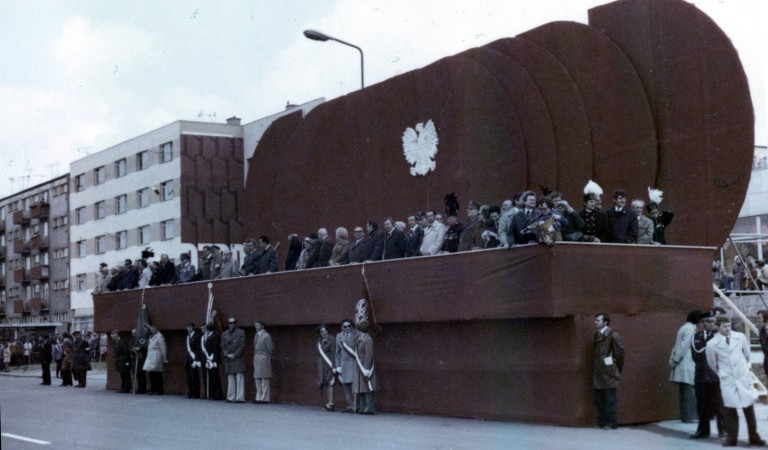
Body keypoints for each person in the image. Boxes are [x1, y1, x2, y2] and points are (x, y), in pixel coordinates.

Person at [706, 316, 765, 447]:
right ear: (717, 327)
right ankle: (731, 439)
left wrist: (744, 369)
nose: (728, 329)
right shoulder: (711, 344)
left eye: (728, 325)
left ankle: (754, 437)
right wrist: (722, 373)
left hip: (742, 376)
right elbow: (712, 363)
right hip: (728, 379)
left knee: (748, 407)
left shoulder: (740, 337)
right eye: (724, 326)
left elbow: (747, 354)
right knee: (730, 409)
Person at [690, 313, 725, 439]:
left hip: (716, 376)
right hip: (701, 375)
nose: (711, 324)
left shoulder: (720, 337)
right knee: (702, 404)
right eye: (708, 321)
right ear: (703, 323)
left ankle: (723, 430)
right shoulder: (696, 337)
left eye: (713, 322)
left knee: (719, 404)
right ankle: (703, 430)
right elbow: (695, 357)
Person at [593, 312, 624, 429]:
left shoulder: (613, 335)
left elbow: (620, 354)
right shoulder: (597, 335)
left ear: (605, 322)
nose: (595, 322)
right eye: (595, 320)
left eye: (598, 320)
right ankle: (601, 422)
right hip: (599, 372)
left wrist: (615, 368)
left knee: (610, 399)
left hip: (609, 372)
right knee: (599, 398)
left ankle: (611, 423)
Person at [669, 310, 700, 423]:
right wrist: (676, 360)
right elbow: (684, 346)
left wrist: (673, 359)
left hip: (682, 362)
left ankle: (686, 416)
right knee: (689, 391)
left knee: (684, 391)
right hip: (686, 361)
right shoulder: (690, 329)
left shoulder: (684, 327)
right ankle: (691, 416)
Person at [352, 307, 377, 414]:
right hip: (359, 364)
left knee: (367, 387)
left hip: (365, 366)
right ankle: (363, 407)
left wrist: (366, 368)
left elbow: (369, 354)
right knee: (361, 388)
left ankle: (369, 408)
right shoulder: (359, 339)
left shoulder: (367, 339)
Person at [221, 317, 246, 403]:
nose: (232, 324)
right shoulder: (224, 334)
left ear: (236, 323)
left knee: (239, 377)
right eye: (230, 323)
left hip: (237, 357)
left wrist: (235, 354)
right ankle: (230, 397)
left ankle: (240, 397)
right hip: (229, 358)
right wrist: (226, 354)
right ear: (227, 323)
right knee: (230, 378)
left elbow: (242, 345)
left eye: (233, 322)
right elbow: (222, 346)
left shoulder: (241, 332)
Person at [335, 319, 357, 413]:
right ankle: (349, 406)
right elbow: (337, 352)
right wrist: (338, 365)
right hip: (343, 364)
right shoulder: (339, 336)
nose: (347, 328)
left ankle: (355, 406)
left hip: (353, 363)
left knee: (354, 386)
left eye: (349, 326)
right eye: (345, 326)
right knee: (346, 387)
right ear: (341, 328)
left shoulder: (356, 335)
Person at [253, 320, 275, 404]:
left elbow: (270, 348)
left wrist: (266, 356)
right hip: (257, 358)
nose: (256, 327)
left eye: (258, 325)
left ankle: (264, 398)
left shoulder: (266, 336)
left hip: (264, 358)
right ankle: (258, 397)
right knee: (257, 378)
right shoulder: (256, 335)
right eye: (255, 325)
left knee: (264, 379)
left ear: (262, 326)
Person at [200, 323, 223, 400]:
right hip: (210, 359)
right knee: (212, 378)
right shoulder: (210, 336)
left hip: (213, 360)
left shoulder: (215, 336)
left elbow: (215, 349)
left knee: (215, 378)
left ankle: (218, 395)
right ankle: (213, 394)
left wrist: (213, 360)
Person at [143, 325, 168, 395]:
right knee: (151, 374)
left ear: (157, 329)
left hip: (157, 356)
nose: (152, 330)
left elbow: (163, 348)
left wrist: (165, 358)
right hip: (150, 357)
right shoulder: (151, 336)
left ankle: (159, 390)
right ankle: (153, 389)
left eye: (154, 329)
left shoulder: (160, 336)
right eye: (151, 329)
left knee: (157, 374)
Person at [316, 324, 336, 411]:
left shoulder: (332, 340)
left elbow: (334, 353)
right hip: (322, 365)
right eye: (322, 332)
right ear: (319, 333)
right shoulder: (319, 341)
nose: (324, 333)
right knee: (325, 384)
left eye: (325, 331)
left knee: (330, 383)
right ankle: (329, 402)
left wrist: (334, 366)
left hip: (329, 364)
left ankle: (331, 403)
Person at [184, 322, 202, 399]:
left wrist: (197, 359)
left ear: (193, 328)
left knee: (194, 377)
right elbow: (188, 350)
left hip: (194, 359)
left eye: (190, 327)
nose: (189, 329)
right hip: (188, 359)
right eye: (188, 327)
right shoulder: (187, 337)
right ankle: (190, 392)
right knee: (189, 377)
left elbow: (198, 349)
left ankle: (196, 393)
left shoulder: (197, 336)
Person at [130, 328, 147, 394]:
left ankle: (143, 389)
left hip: (141, 359)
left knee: (142, 375)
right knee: (138, 375)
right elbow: (130, 348)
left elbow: (144, 348)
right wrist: (132, 350)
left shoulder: (141, 339)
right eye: (132, 333)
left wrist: (139, 349)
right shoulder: (133, 340)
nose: (133, 334)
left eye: (134, 333)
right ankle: (139, 388)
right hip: (135, 359)